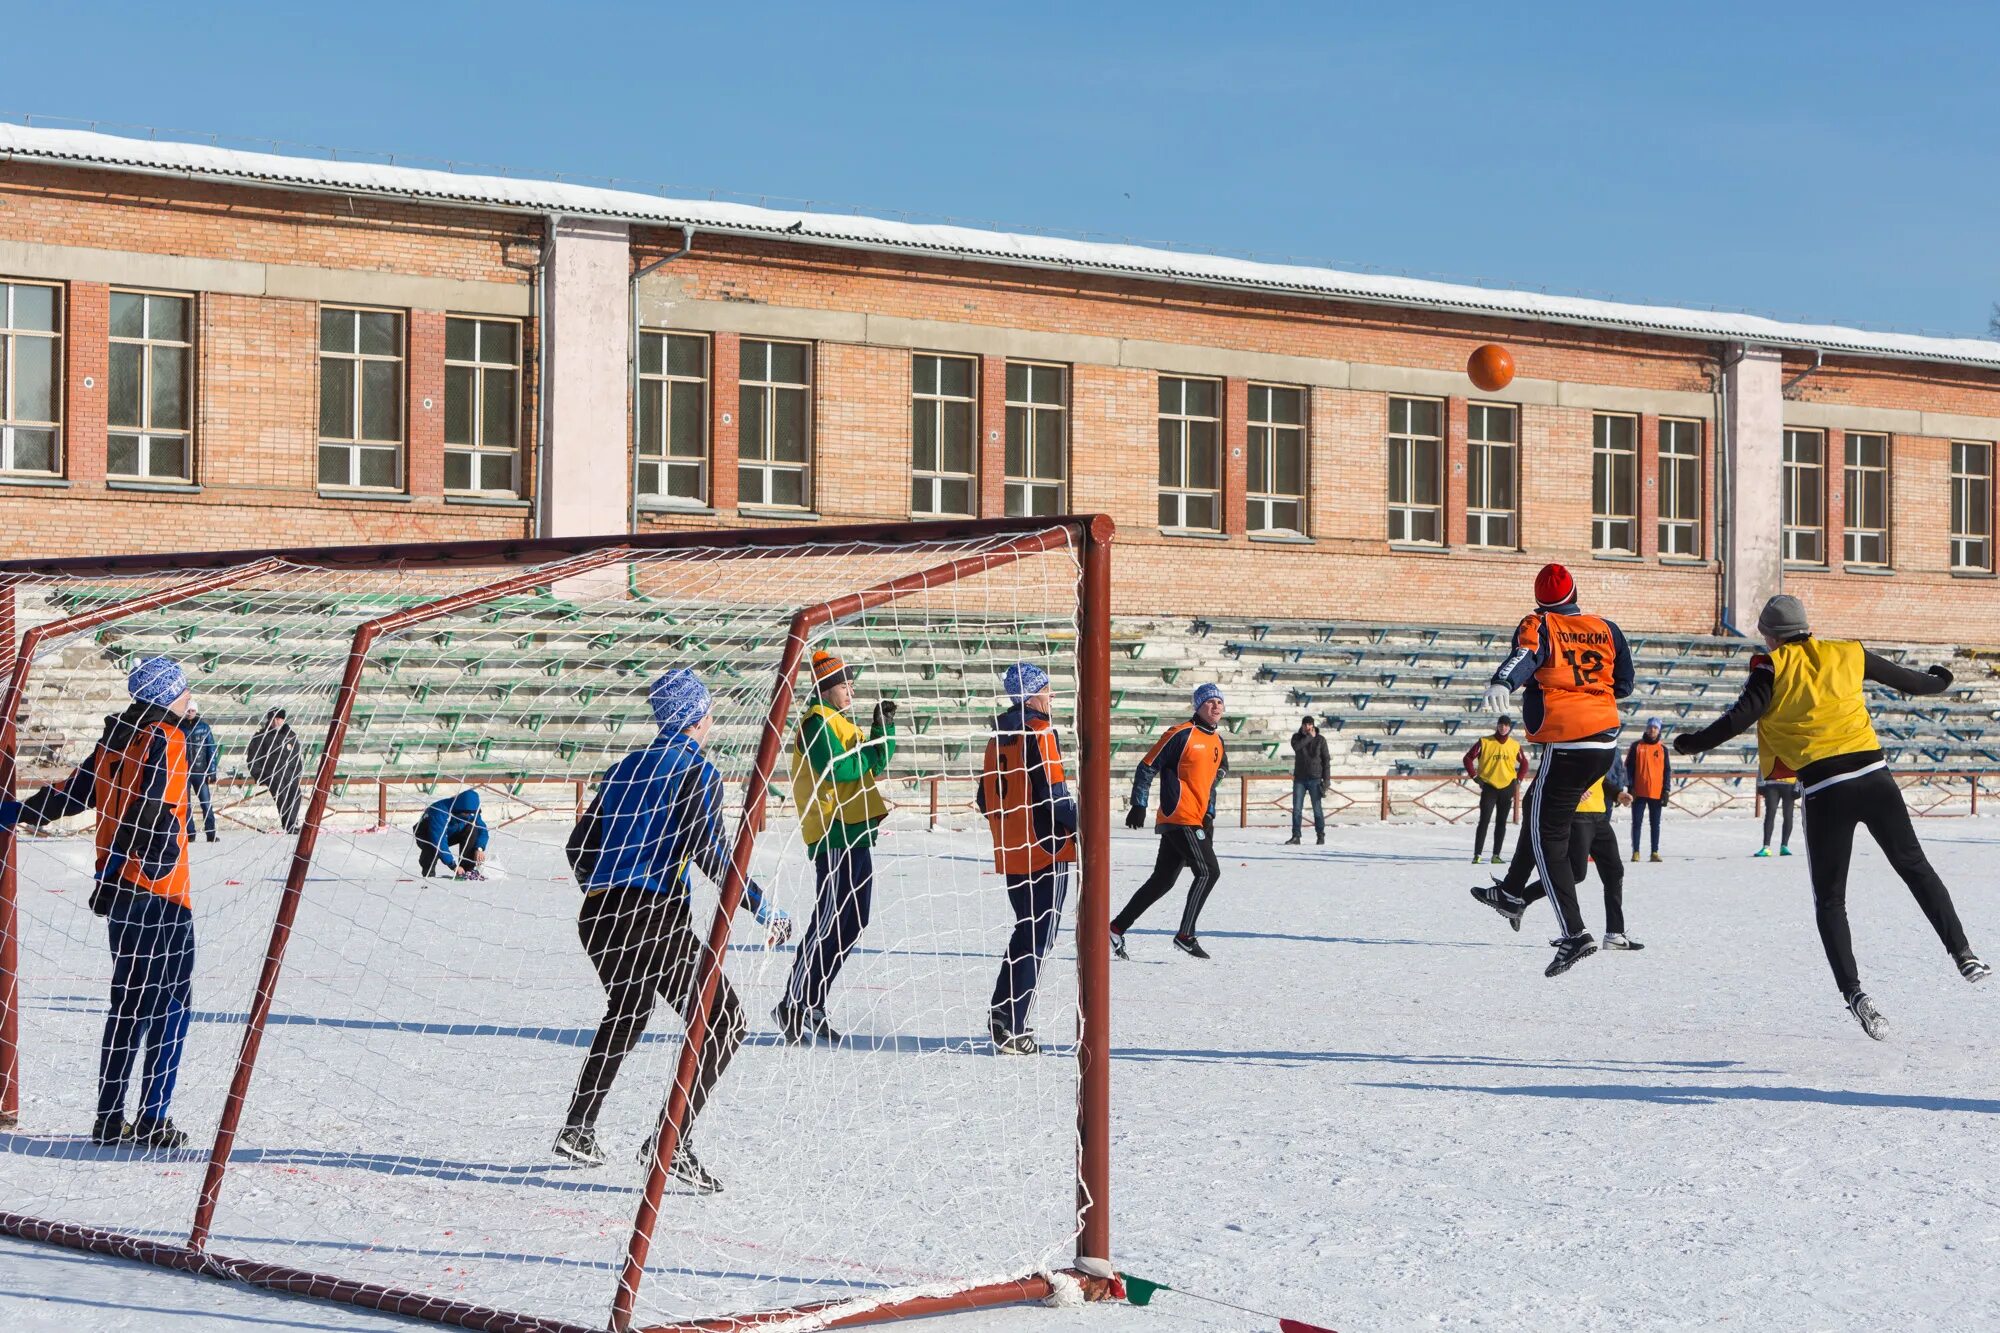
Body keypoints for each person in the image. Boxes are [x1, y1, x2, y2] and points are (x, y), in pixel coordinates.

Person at [1674, 594, 1988, 1039]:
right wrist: (1941, 680)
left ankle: (1855, 993)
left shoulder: (1771, 666)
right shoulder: (1848, 652)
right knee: (1915, 867)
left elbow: (1741, 717)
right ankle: (1963, 952)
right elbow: (1912, 683)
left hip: (1826, 789)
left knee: (1830, 900)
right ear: (1807, 626)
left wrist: (1692, 743)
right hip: (1876, 779)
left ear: (1769, 634)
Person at [554, 668, 788, 1187]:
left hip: (597, 916)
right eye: (707, 714)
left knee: (629, 1009)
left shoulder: (623, 768)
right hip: (651, 913)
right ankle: (670, 1142)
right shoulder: (695, 771)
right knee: (725, 1020)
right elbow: (710, 852)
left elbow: (577, 848)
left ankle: (578, 1126)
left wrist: (609, 885)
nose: (711, 724)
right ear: (695, 717)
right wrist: (761, 907)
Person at [0, 656, 201, 1149]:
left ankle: (109, 1118)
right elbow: (150, 810)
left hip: (122, 899)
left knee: (127, 1005)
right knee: (173, 1005)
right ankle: (153, 1118)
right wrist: (120, 871)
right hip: (159, 892)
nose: (190, 697)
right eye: (183, 689)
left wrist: (15, 811)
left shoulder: (113, 739)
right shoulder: (167, 739)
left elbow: (72, 794)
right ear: (166, 694)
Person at [1469, 563, 1634, 978]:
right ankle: (1509, 892)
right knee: (1540, 812)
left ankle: (1574, 934)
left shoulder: (1540, 624)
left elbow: (1524, 656)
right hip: (1605, 742)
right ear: (1575, 593)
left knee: (1547, 837)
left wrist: (1502, 682)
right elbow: (1625, 684)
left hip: (1567, 743)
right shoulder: (1607, 627)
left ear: (1540, 601)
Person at [776, 649, 896, 1046]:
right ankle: (793, 1001)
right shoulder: (815, 723)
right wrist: (868, 750)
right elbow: (841, 768)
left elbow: (877, 762)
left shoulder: (842, 722)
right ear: (827, 688)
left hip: (856, 828)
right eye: (845, 684)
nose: (851, 690)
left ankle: (812, 1000)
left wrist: (884, 729)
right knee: (830, 919)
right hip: (832, 829)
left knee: (853, 920)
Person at [976, 662, 1077, 1054]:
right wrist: (1082, 826)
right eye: (1048, 689)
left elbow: (984, 799)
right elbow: (1055, 795)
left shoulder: (995, 737)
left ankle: (1001, 1013)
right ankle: (1013, 1026)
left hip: (1012, 849)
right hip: (1046, 847)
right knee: (1039, 937)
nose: (1052, 696)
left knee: (1025, 930)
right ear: (1032, 694)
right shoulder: (1040, 731)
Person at [1111, 682, 1229, 960]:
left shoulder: (1218, 740)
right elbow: (1147, 766)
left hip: (1197, 818)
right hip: (1180, 816)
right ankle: (1185, 935)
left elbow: (1220, 769)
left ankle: (1116, 928)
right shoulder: (1180, 734)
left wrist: (1209, 812)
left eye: (1219, 702)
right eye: (1209, 701)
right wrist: (1139, 804)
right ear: (1198, 706)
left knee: (1162, 881)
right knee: (1209, 871)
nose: (1215, 706)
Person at [1478, 754, 1643, 952]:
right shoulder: (1572, 748)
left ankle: (1615, 934)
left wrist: (1617, 794)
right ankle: (1524, 898)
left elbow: (1600, 780)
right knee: (1575, 873)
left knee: (1615, 872)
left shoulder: (1595, 748)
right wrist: (1573, 792)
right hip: (1577, 817)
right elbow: (1558, 776)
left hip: (1599, 817)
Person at [1462, 715, 1526, 865]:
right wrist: (1475, 777)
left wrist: (1519, 779)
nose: (1503, 728)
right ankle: (1477, 854)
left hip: (1507, 787)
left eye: (1506, 725)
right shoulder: (1485, 742)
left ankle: (1496, 855)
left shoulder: (1514, 745)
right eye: (1500, 725)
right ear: (1497, 726)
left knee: (1501, 822)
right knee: (1484, 821)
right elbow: (1467, 758)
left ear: (1509, 727)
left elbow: (1524, 763)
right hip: (1489, 786)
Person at [245, 707, 303, 834]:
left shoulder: (291, 735)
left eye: (280, 719)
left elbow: (297, 756)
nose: (278, 721)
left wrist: (298, 771)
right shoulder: (261, 736)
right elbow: (253, 757)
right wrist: (258, 775)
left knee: (296, 795)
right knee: (282, 796)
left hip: (290, 773)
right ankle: (289, 825)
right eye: (275, 719)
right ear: (270, 719)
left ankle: (292, 823)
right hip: (272, 774)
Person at [414, 789, 489, 880]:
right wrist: (453, 865)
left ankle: (466, 870)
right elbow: (439, 841)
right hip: (427, 834)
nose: (469, 816)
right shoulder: (439, 810)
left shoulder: (472, 811)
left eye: (472, 813)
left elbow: (483, 830)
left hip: (450, 833)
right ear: (459, 809)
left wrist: (479, 848)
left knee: (472, 828)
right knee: (432, 845)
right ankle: (429, 876)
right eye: (466, 813)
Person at [1626, 718, 1672, 862]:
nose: (1652, 730)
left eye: (1655, 728)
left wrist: (1666, 790)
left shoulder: (1663, 749)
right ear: (1646, 728)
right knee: (1637, 823)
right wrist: (1630, 787)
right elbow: (1629, 769)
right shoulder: (1636, 746)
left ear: (1659, 730)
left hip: (1656, 793)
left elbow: (1667, 771)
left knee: (1655, 824)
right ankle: (1636, 852)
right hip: (1638, 792)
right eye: (1651, 727)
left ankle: (1654, 852)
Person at [1287, 715, 1331, 846]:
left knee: (1317, 809)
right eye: (1305, 725)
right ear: (1302, 725)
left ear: (1313, 725)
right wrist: (1309, 737)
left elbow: (1326, 760)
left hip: (1315, 778)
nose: (1307, 727)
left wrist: (1327, 780)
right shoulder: (1296, 737)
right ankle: (1296, 836)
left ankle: (1320, 836)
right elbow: (1297, 747)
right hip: (1300, 778)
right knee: (1297, 809)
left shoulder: (1321, 740)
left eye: (1310, 724)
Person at [184, 703, 219, 844]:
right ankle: (190, 833)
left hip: (201, 772)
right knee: (186, 805)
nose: (190, 712)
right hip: (185, 772)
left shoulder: (204, 727)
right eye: (188, 710)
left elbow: (211, 749)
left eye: (192, 710)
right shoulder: (179, 727)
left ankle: (211, 833)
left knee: (205, 803)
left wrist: (212, 771)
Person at [1757, 771, 1799, 857]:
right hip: (1771, 783)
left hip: (1789, 784)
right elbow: (1762, 762)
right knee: (1770, 814)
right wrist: (1760, 784)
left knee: (1788, 815)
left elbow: (1798, 764)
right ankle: (1766, 847)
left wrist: (1797, 787)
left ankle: (1784, 846)